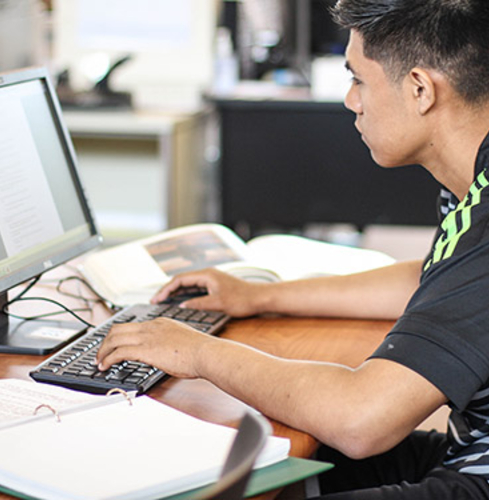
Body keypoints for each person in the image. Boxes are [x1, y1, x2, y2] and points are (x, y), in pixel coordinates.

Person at [96, 0, 489, 498]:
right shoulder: (471, 182)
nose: (351, 100)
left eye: (359, 79)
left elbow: (361, 419)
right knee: (262, 462)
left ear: (420, 89)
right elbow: (436, 282)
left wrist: (197, 351)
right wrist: (261, 297)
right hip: (466, 450)